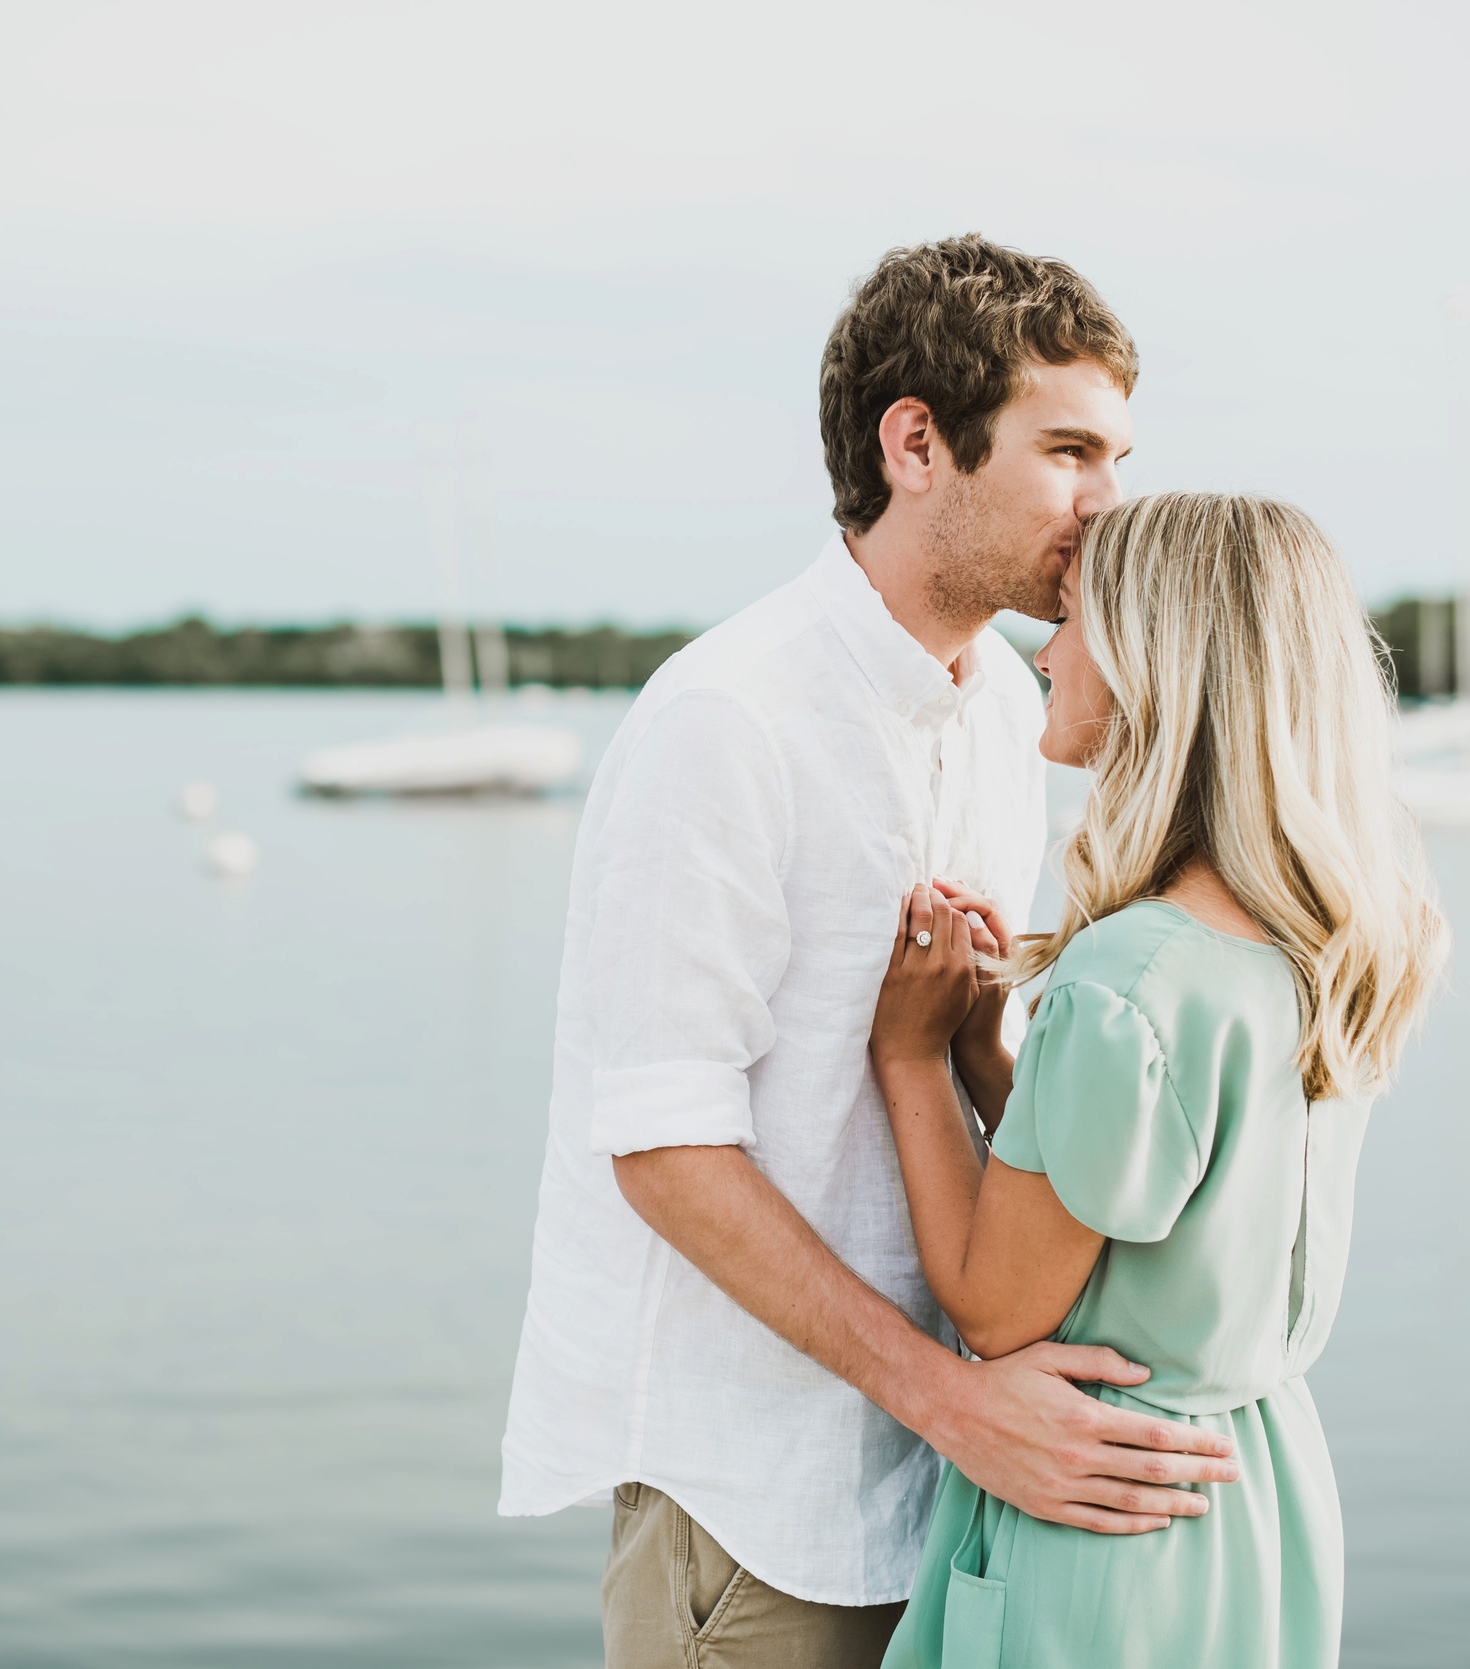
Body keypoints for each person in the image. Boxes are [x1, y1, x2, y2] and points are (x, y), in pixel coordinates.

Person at [499, 236, 1240, 1669]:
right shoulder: (729, 716)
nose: (1107, 504)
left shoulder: (1000, 721)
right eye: (1069, 449)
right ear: (917, 442)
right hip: (757, 1513)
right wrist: (954, 1402)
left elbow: (967, 1088)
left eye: (1119, 455)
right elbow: (662, 1145)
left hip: (949, 1494)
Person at [866, 492, 1451, 1666]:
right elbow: (1148, 1197)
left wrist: (913, 1055)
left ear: (1155, 667)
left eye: (1075, 621)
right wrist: (995, 1054)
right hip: (1254, 1496)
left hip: (1104, 1518)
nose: (1047, 649)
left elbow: (996, 1298)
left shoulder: (1126, 972)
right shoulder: (1316, 943)